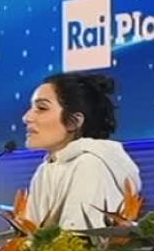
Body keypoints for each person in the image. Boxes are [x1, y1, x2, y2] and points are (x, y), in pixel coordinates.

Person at [21, 73, 141, 230]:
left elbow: (78, 239)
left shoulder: (89, 165)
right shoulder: (45, 169)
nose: (26, 117)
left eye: (41, 108)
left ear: (74, 121)